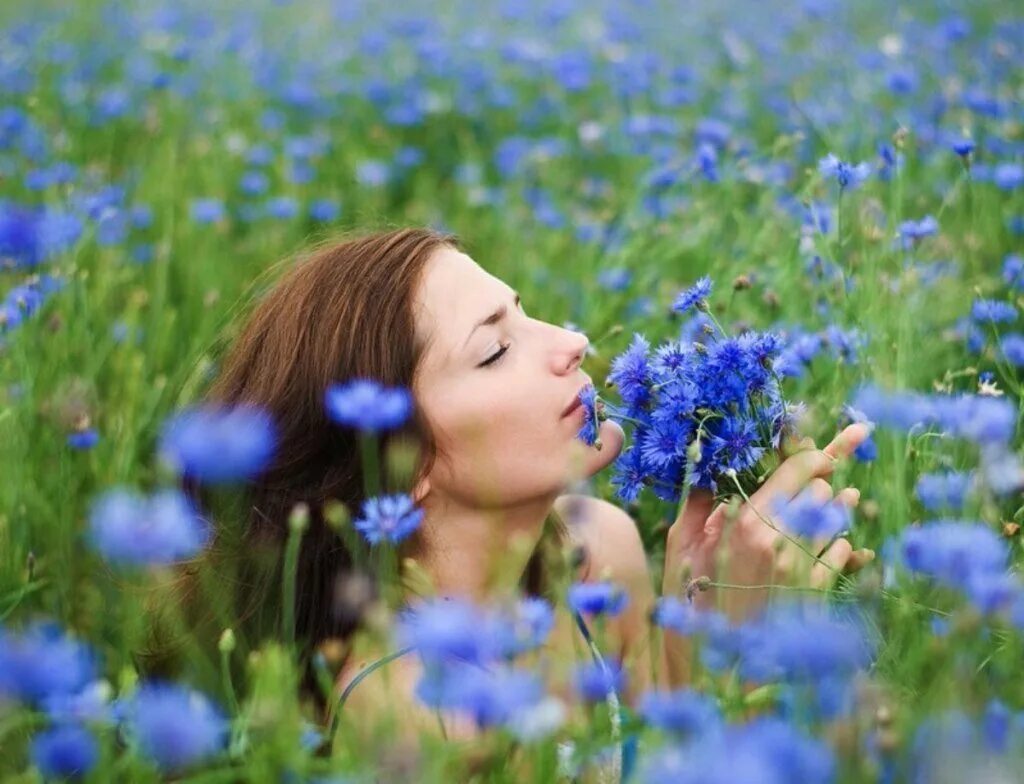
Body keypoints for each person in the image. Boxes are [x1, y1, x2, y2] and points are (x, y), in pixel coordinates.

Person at [192, 225, 872, 755]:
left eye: (525, 313)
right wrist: (749, 661)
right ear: (405, 460)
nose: (572, 340)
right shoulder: (425, 711)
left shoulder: (599, 549)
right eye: (494, 350)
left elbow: (665, 754)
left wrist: (705, 621)